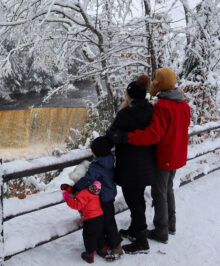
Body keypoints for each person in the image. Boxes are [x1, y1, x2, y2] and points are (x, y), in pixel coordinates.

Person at [106, 67, 190, 244]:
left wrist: (127, 137)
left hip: (165, 155)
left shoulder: (162, 106)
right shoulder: (183, 104)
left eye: (156, 80)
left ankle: (161, 230)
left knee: (158, 192)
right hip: (178, 154)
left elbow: (153, 134)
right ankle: (170, 225)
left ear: (160, 83)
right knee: (168, 189)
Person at [106, 74, 156, 254]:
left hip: (129, 167)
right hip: (146, 165)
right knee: (138, 199)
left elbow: (111, 135)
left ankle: (142, 243)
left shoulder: (125, 114)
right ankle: (135, 230)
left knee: (134, 203)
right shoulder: (151, 111)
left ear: (130, 96)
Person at [61, 136, 123, 261]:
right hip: (109, 193)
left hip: (103, 197)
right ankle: (105, 243)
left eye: (92, 150)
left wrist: (74, 188)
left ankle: (116, 246)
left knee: (107, 221)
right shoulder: (108, 159)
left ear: (98, 153)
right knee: (106, 219)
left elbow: (88, 179)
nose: (91, 152)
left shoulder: (97, 166)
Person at [62, 180, 105, 263]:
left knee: (89, 236)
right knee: (99, 233)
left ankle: (89, 255)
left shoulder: (84, 192)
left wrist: (67, 198)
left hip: (90, 219)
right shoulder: (95, 192)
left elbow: (77, 205)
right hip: (100, 216)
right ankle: (102, 250)